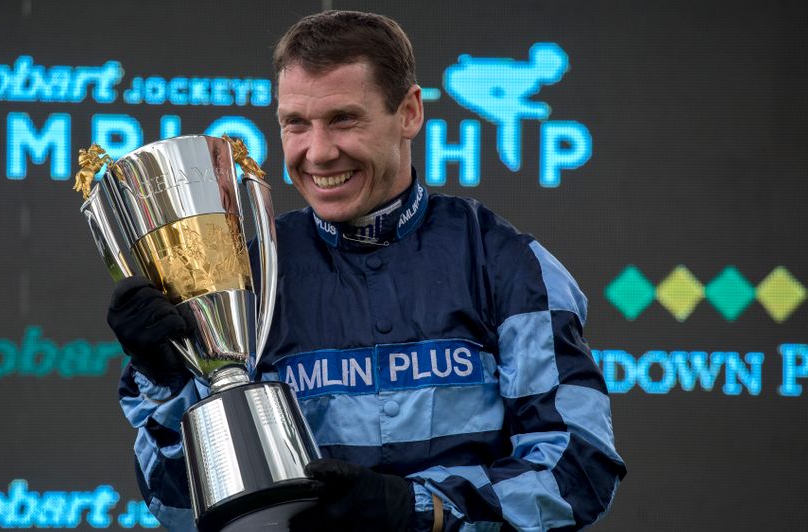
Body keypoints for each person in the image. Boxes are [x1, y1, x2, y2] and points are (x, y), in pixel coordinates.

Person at [110, 10, 626, 532]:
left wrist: (422, 511)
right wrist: (167, 383)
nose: (319, 152)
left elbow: (578, 470)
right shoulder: (237, 279)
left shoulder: (509, 263)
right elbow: (179, 512)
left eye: (343, 119)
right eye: (296, 124)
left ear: (408, 112)